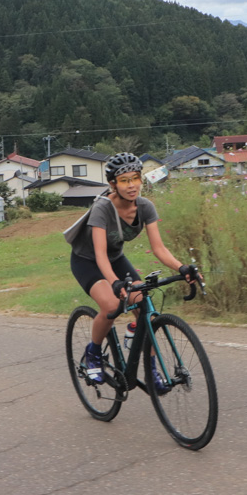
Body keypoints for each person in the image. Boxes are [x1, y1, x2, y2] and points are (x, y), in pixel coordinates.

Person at [71, 152, 202, 387]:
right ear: (113, 184)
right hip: (87, 261)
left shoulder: (145, 207)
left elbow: (158, 248)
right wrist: (114, 283)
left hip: (116, 259)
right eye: (124, 180)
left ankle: (151, 371)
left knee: (145, 308)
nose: (132, 186)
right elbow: (100, 255)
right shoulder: (103, 208)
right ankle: (93, 353)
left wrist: (181, 267)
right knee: (111, 305)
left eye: (135, 178)